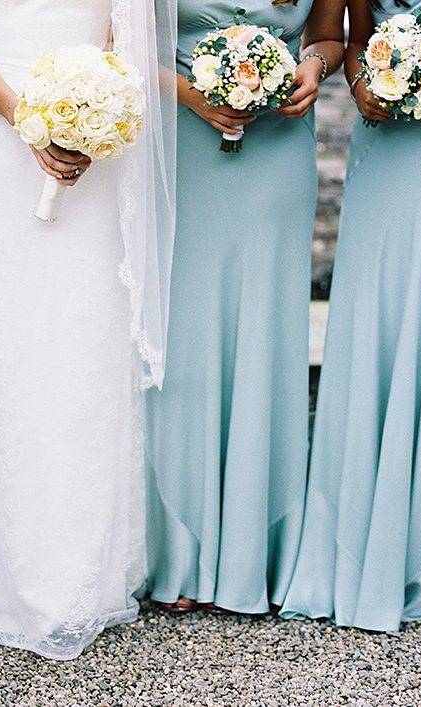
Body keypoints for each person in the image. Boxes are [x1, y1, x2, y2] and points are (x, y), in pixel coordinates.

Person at [0, 0, 176, 660]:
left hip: (92, 138)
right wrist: (28, 119)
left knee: (79, 340)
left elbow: (128, 39)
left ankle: (77, 566)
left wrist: (93, 119)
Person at [280, 0, 421, 631]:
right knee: (374, 320)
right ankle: (364, 544)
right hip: (385, 145)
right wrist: (361, 85)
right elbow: (354, 40)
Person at [145, 0, 344, 615]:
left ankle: (254, 551)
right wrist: (189, 94)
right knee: (187, 334)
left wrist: (311, 66)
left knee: (265, 327)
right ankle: (174, 549)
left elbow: (327, 36)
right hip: (182, 142)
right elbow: (119, 47)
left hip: (278, 148)